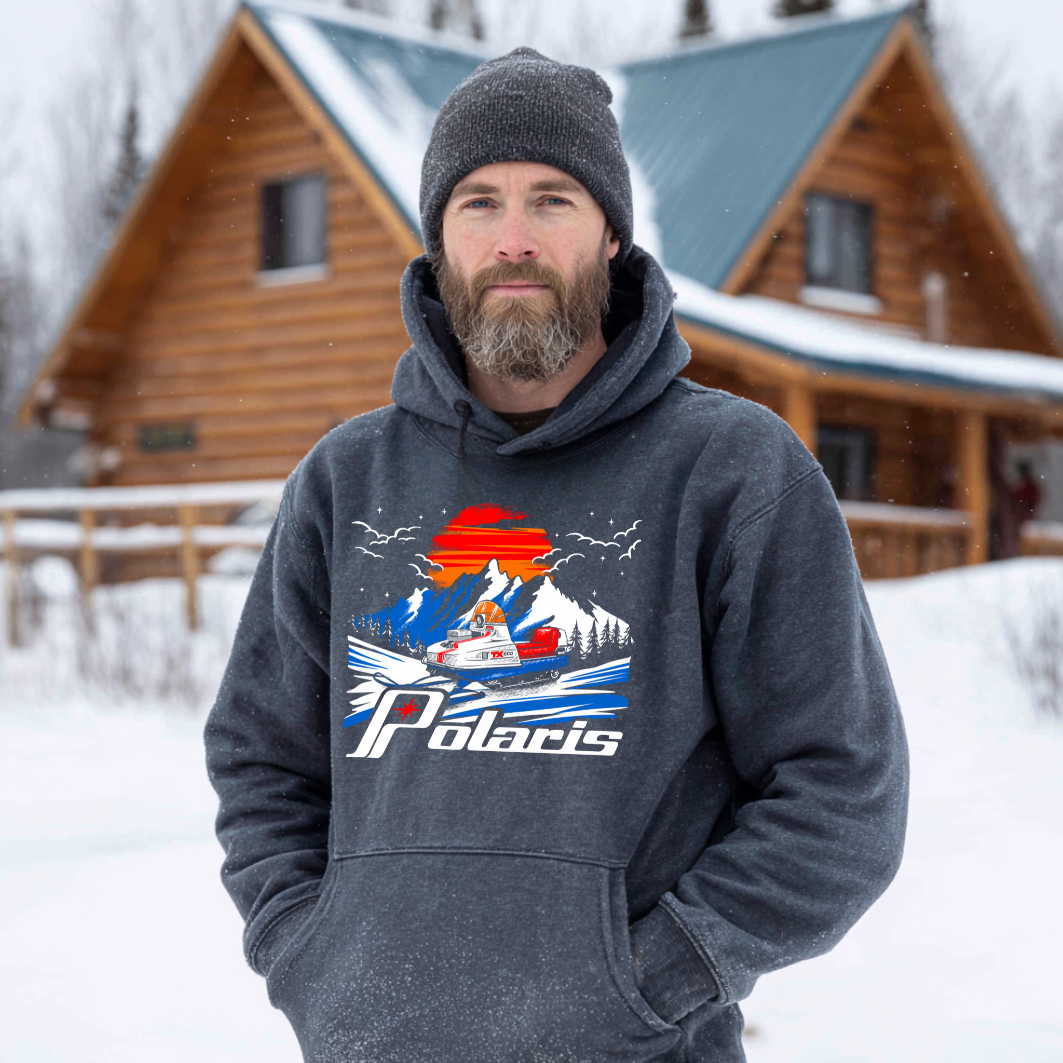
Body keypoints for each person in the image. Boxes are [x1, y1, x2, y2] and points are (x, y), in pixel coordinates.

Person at [205, 47, 908, 1062]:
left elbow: (842, 790)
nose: (515, 240)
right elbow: (261, 759)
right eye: (479, 204)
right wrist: (310, 955)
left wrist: (650, 979)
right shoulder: (346, 481)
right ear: (439, 240)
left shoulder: (730, 472)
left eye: (553, 200)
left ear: (611, 235)